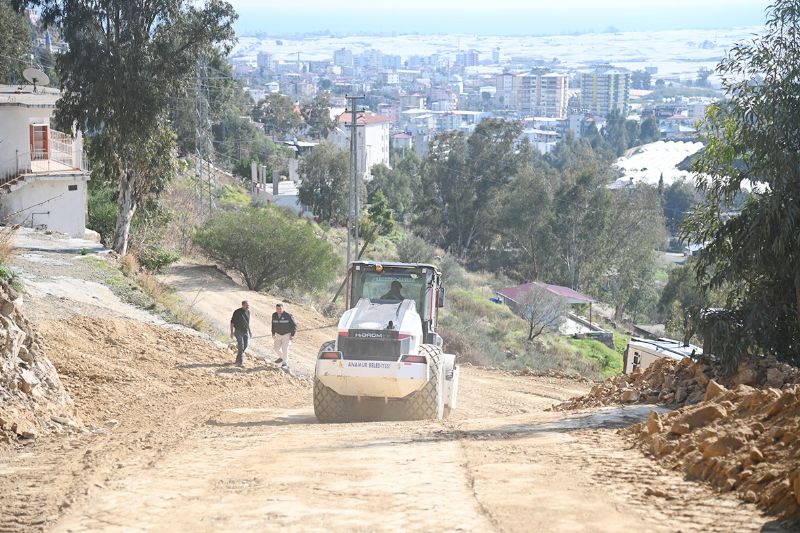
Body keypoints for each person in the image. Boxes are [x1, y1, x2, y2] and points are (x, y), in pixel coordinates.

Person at [230, 301, 252, 367]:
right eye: (246, 305)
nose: (247, 307)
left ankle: (237, 359)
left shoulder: (248, 312)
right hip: (238, 331)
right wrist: (231, 332)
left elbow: (247, 323)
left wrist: (250, 331)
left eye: (248, 305)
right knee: (241, 345)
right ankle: (240, 362)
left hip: (245, 331)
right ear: (242, 305)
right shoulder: (237, 312)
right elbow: (232, 322)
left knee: (245, 345)